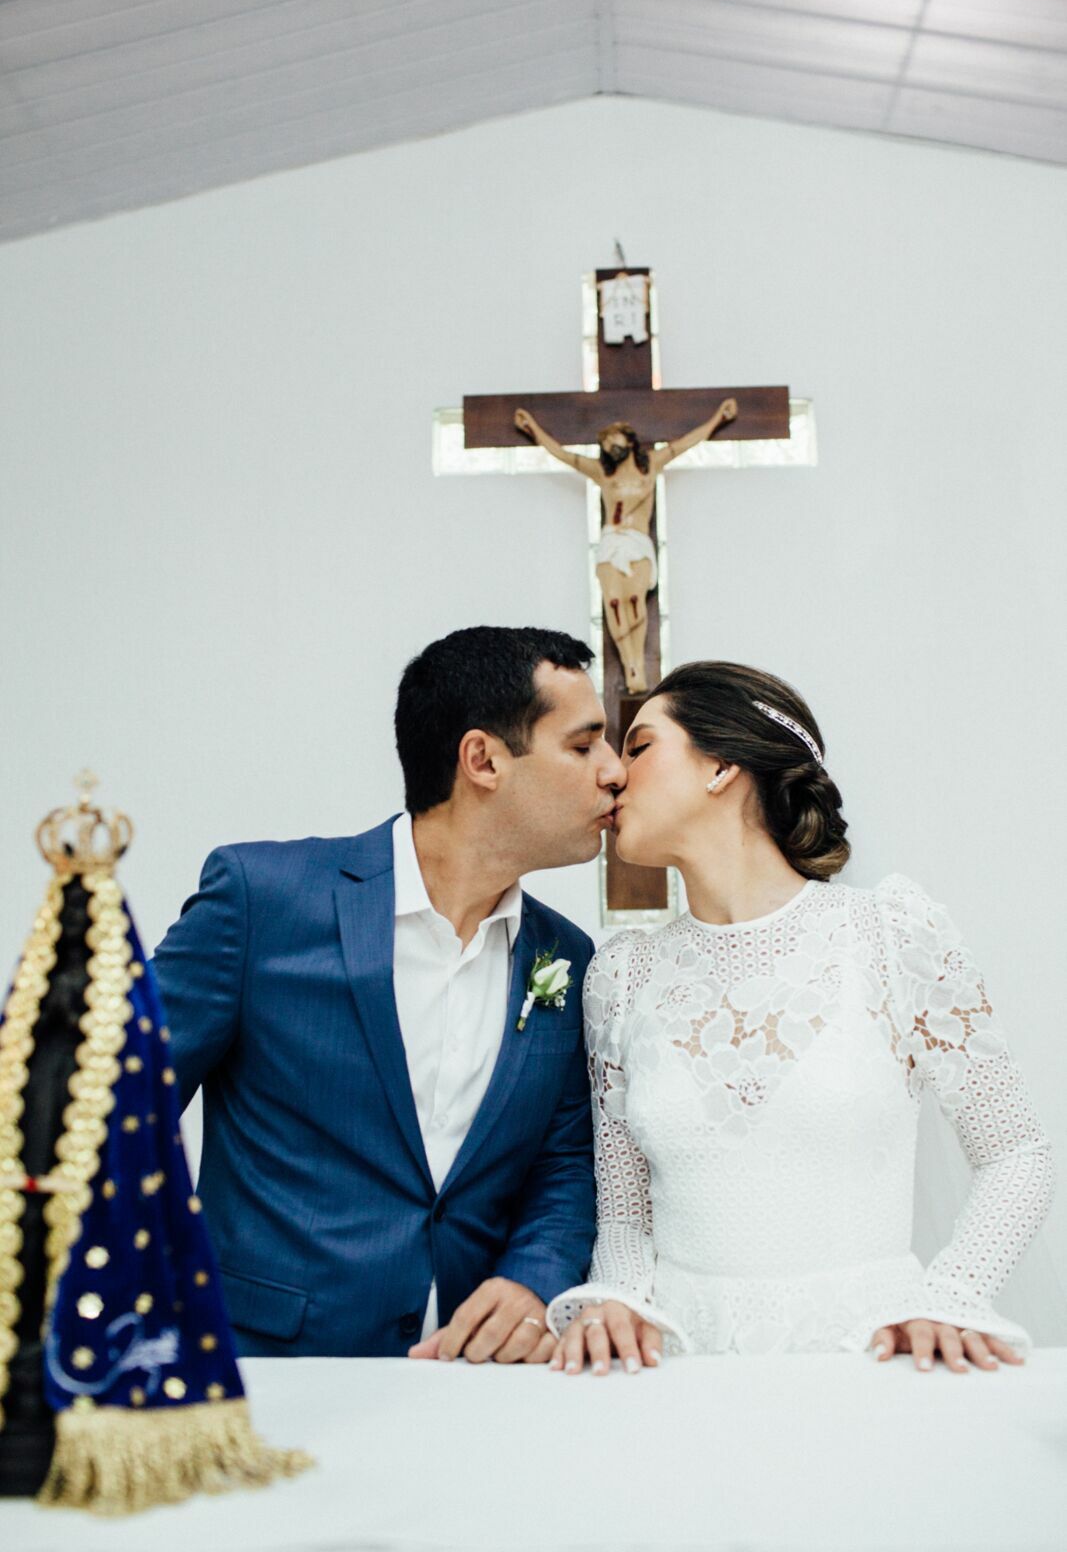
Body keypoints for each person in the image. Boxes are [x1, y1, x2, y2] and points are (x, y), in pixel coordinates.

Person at [546, 661, 1055, 1374]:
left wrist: (953, 1293)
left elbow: (1015, 1154)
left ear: (720, 765)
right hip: (681, 1369)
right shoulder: (622, 976)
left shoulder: (889, 935)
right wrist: (619, 1301)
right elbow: (626, 1214)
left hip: (869, 1360)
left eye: (637, 747)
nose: (611, 774)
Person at [152, 627, 626, 1360]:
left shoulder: (564, 953)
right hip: (262, 1368)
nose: (614, 771)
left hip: (472, 1380)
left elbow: (562, 1164)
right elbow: (111, 1110)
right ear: (483, 759)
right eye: (583, 744)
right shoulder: (263, 902)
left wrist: (533, 1280)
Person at [514, 402, 737, 694]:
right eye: (604, 442)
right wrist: (533, 428)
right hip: (611, 543)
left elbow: (687, 442)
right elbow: (562, 454)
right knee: (615, 603)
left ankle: (638, 666)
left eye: (613, 438)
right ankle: (630, 665)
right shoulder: (602, 473)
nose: (608, 445)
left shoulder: (652, 465)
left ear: (629, 440)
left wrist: (718, 418)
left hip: (637, 542)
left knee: (634, 599)